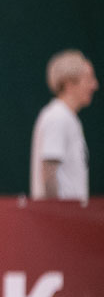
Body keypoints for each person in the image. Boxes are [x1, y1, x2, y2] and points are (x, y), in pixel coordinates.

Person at [30, 50, 96, 201]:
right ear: (69, 84)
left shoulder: (68, 118)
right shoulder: (58, 117)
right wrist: (56, 212)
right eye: (88, 79)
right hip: (61, 215)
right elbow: (49, 172)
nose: (94, 85)